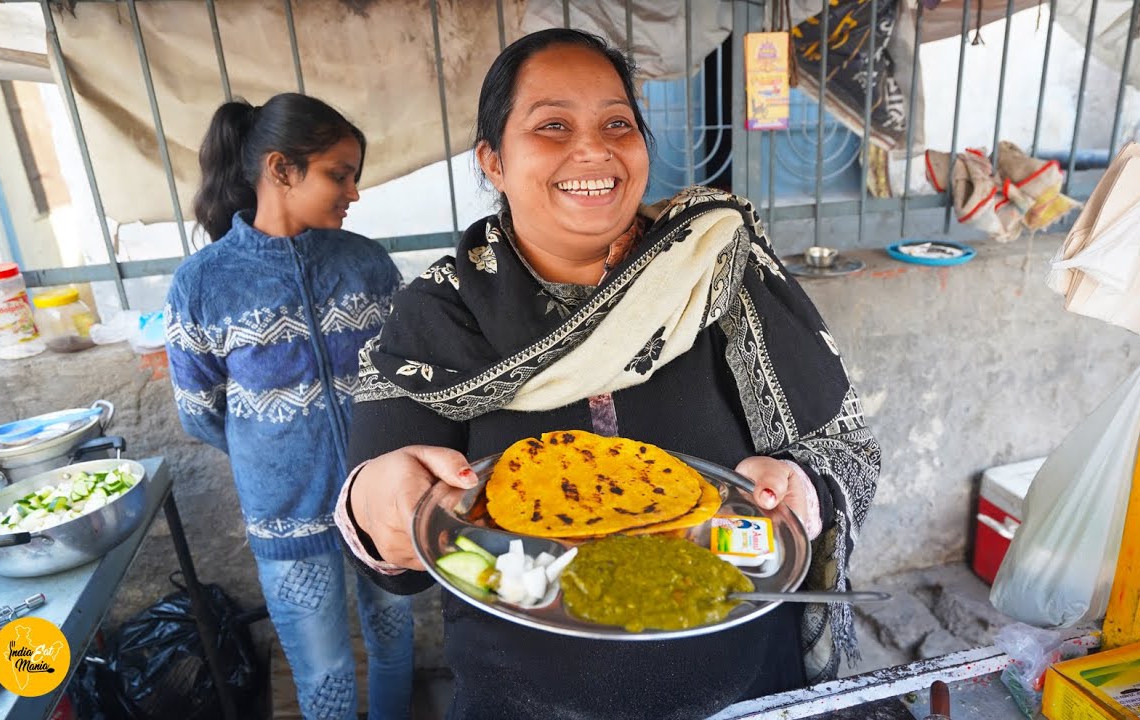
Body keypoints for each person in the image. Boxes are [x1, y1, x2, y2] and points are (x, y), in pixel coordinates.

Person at [337, 30, 881, 720]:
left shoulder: (718, 272)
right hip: (526, 697)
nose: (593, 149)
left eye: (617, 123)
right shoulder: (438, 317)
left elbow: (848, 452)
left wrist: (800, 487)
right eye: (552, 125)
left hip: (742, 682)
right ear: (493, 162)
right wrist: (379, 501)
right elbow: (372, 535)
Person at [164, 93, 413, 720]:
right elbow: (200, 411)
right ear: (281, 169)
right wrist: (275, 448)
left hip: (379, 498)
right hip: (285, 516)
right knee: (324, 676)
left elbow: (405, 374)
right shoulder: (203, 285)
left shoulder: (367, 264)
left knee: (394, 643)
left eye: (354, 174)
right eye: (339, 173)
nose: (353, 192)